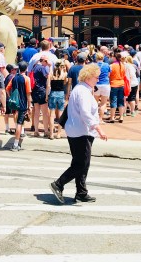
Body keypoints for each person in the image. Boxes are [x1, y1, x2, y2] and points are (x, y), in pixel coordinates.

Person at [49, 63, 107, 204]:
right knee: (81, 164)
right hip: (82, 131)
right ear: (88, 77)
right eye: (96, 77)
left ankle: (81, 192)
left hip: (78, 130)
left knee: (80, 162)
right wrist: (98, 128)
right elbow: (85, 113)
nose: (98, 79)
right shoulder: (83, 91)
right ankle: (59, 184)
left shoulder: (81, 88)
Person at [7, 61, 31, 151]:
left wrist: (11, 97)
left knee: (17, 120)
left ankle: (17, 139)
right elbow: (28, 94)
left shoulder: (14, 78)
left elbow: (7, 89)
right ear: (26, 69)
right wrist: (29, 105)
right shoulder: (26, 79)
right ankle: (16, 144)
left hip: (15, 102)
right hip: (22, 103)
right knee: (19, 123)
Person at [30, 55, 52, 138]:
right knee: (45, 112)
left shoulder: (34, 67)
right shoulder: (42, 68)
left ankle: (36, 130)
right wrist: (49, 67)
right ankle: (46, 131)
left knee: (36, 112)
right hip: (41, 91)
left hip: (34, 91)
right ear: (43, 61)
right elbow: (48, 76)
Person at [47, 61, 68, 138]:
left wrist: (46, 96)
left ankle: (51, 134)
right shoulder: (64, 74)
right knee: (60, 114)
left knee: (52, 115)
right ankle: (59, 133)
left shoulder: (51, 74)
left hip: (53, 93)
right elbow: (65, 82)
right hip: (61, 94)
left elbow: (48, 86)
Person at [107, 52, 127, 123]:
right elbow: (124, 75)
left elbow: (108, 75)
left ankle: (112, 117)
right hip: (121, 84)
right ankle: (121, 117)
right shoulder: (123, 65)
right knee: (121, 101)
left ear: (114, 58)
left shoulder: (111, 66)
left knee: (113, 101)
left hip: (113, 84)